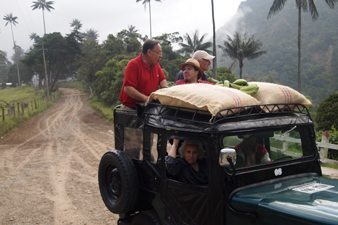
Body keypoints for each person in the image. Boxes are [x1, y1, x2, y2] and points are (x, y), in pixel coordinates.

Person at [119, 39, 168, 110]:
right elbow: (128, 89)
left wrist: (166, 90)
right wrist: (147, 99)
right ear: (149, 52)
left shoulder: (156, 65)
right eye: (158, 53)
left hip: (147, 108)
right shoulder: (133, 64)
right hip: (131, 109)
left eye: (161, 53)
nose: (160, 56)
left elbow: (162, 79)